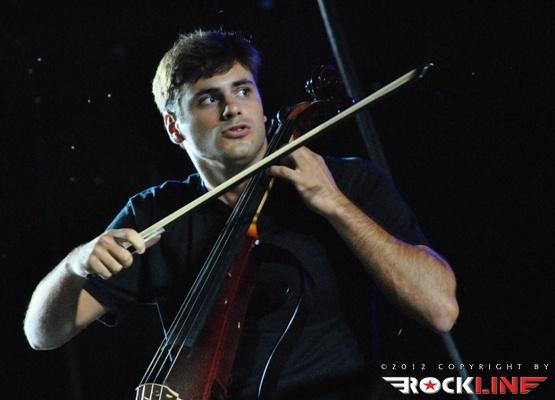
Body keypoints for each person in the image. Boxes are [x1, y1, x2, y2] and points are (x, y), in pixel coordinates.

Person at [24, 30, 458, 398]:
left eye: (243, 90)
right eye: (209, 98)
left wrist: (334, 204)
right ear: (174, 127)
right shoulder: (156, 211)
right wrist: (75, 264)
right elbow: (42, 335)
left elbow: (440, 309)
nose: (232, 108)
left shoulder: (345, 181)